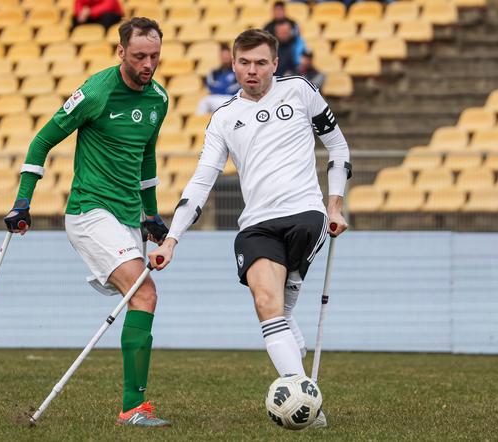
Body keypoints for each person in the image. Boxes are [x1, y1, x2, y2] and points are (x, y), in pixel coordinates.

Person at [149, 29, 352, 429]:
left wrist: (335, 203)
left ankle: (302, 400)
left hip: (305, 217)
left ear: (275, 64)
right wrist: (171, 240)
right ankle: (306, 404)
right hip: (256, 225)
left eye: (261, 63)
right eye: (244, 63)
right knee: (269, 307)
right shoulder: (224, 118)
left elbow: (339, 147)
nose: (252, 71)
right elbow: (201, 182)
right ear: (233, 64)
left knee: (281, 311)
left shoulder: (300, 91)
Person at [4, 17, 171, 427]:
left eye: (154, 55)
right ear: (120, 53)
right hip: (90, 212)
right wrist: (22, 202)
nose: (148, 64)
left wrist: (150, 213)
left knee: (139, 298)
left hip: (128, 214)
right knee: (145, 293)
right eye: (139, 56)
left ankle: (135, 407)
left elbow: (146, 159)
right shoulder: (96, 91)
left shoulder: (159, 99)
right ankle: (133, 408)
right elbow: (42, 140)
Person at [195, 43, 241, 115]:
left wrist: (221, 87)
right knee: (204, 102)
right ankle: (198, 125)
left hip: (231, 98)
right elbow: (211, 87)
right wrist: (224, 87)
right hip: (216, 98)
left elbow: (237, 88)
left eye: (226, 55)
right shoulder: (214, 72)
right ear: (220, 57)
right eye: (223, 56)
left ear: (231, 56)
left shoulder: (237, 72)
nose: (225, 58)